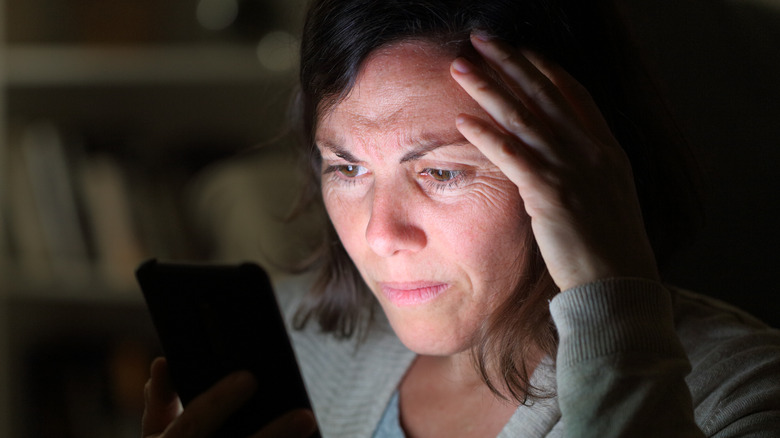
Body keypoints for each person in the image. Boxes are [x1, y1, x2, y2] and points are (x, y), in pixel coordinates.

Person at [142, 0, 780, 437]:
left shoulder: (740, 396)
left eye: (441, 172)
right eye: (347, 168)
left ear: (589, 167)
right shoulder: (293, 345)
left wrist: (609, 294)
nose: (380, 232)